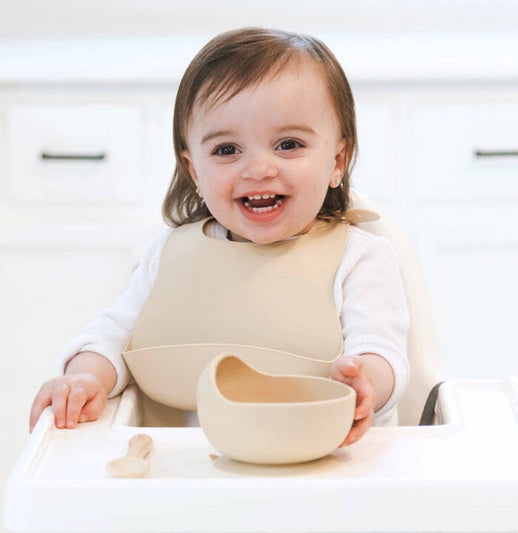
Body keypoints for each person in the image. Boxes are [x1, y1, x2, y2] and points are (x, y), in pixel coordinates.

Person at [29, 27, 409, 447]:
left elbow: (382, 352)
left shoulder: (360, 257)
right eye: (227, 150)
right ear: (194, 171)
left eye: (288, 144)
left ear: (337, 160)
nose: (259, 169)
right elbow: (115, 335)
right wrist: (85, 377)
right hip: (195, 467)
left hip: (326, 461)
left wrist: (363, 381)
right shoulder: (171, 255)